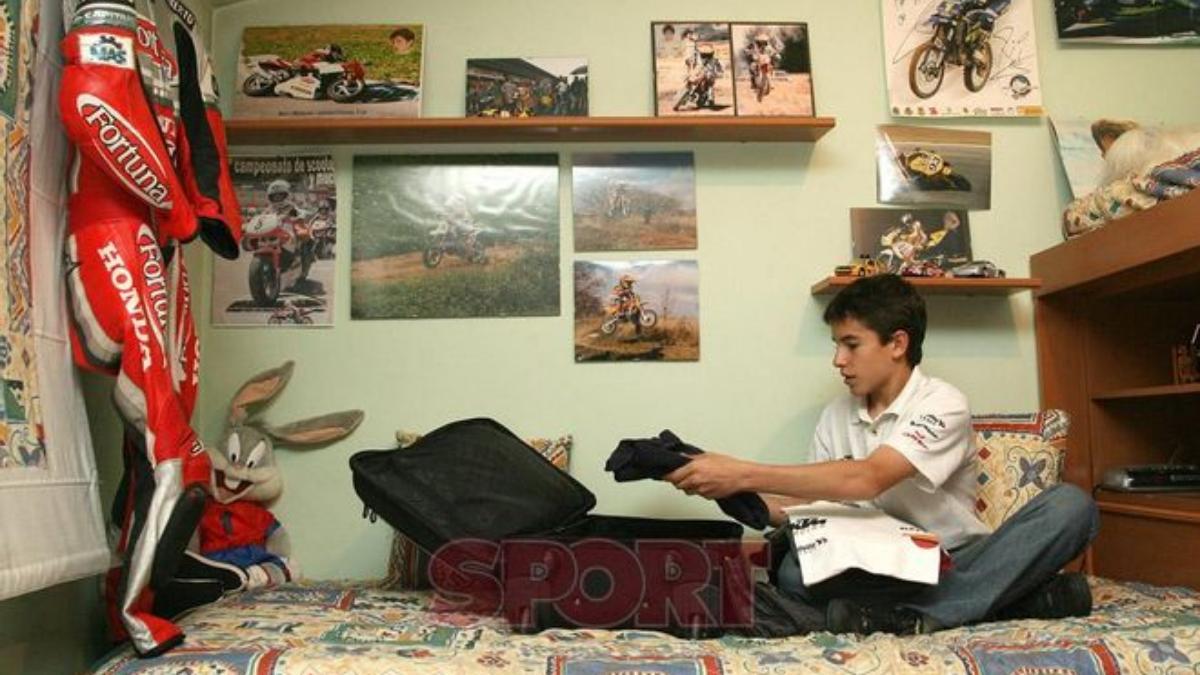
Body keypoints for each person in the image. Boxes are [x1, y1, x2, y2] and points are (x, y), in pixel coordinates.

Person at [665, 275, 1099, 635]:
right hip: (873, 568)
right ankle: (1008, 602)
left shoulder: (942, 402)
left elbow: (868, 478)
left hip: (950, 561)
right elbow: (812, 510)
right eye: (836, 345)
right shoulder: (836, 415)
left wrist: (742, 473)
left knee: (1071, 506)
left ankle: (908, 617)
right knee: (794, 571)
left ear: (897, 344)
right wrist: (718, 486)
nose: (838, 359)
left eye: (851, 344)